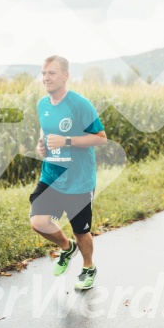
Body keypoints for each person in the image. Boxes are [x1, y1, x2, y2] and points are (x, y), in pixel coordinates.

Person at [29, 55, 107, 290]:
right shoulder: (42, 104)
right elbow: (45, 132)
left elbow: (101, 139)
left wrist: (67, 140)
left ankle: (88, 267)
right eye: (43, 73)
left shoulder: (80, 104)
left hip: (79, 181)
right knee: (38, 222)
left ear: (65, 76)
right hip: (51, 176)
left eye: (51, 73)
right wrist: (40, 145)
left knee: (81, 231)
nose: (46, 78)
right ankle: (66, 247)